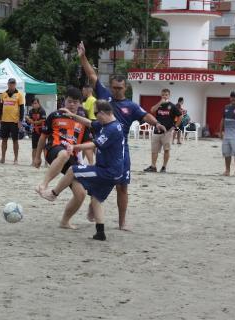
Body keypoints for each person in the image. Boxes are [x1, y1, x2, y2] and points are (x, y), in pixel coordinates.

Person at [78, 41, 166, 230]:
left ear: (125, 87)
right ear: (110, 86)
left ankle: (122, 222)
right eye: (114, 87)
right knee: (101, 179)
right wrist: (83, 57)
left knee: (122, 187)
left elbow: (146, 115)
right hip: (102, 146)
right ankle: (93, 205)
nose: (117, 90)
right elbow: (91, 74)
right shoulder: (103, 95)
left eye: (120, 87)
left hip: (121, 151)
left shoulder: (131, 106)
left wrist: (157, 123)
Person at [39, 100, 125, 241]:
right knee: (97, 199)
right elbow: (89, 123)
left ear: (103, 113)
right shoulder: (108, 124)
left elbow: (94, 144)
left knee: (73, 170)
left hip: (107, 171)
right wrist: (73, 115)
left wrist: (75, 147)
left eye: (96, 114)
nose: (95, 117)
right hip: (114, 172)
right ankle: (100, 232)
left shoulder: (112, 129)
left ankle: (53, 194)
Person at [34, 87, 91, 229]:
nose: (72, 105)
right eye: (69, 101)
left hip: (71, 159)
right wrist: (37, 157)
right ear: (64, 101)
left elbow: (87, 145)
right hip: (54, 150)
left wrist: (91, 163)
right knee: (64, 154)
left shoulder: (84, 122)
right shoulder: (54, 115)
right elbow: (43, 137)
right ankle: (44, 185)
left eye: (75, 102)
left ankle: (65, 221)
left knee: (81, 194)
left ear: (80, 103)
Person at [144, 89, 181, 173]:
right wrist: (160, 102)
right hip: (157, 130)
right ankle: (153, 166)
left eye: (166, 95)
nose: (164, 96)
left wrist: (174, 127)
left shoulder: (172, 106)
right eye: (163, 94)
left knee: (166, 150)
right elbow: (152, 110)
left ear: (169, 95)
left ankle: (164, 167)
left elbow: (180, 116)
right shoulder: (159, 105)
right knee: (154, 150)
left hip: (167, 132)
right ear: (161, 95)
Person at [0, 78, 24, 164]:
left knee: (15, 140)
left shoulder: (19, 94)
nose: (12, 85)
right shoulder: (3, 94)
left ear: (15, 84)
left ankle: (16, 159)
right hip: (4, 120)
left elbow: (22, 108)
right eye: (10, 83)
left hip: (14, 121)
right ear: (8, 84)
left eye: (13, 83)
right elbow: (0, 106)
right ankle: (2, 158)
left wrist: (20, 120)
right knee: (4, 140)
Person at [26, 97, 46, 166]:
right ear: (32, 104)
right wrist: (28, 118)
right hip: (34, 130)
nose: (35, 105)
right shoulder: (31, 111)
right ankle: (33, 161)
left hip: (41, 131)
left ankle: (46, 162)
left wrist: (34, 122)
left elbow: (43, 120)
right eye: (33, 103)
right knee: (34, 147)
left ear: (39, 103)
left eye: (36, 103)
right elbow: (28, 117)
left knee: (43, 147)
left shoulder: (42, 110)